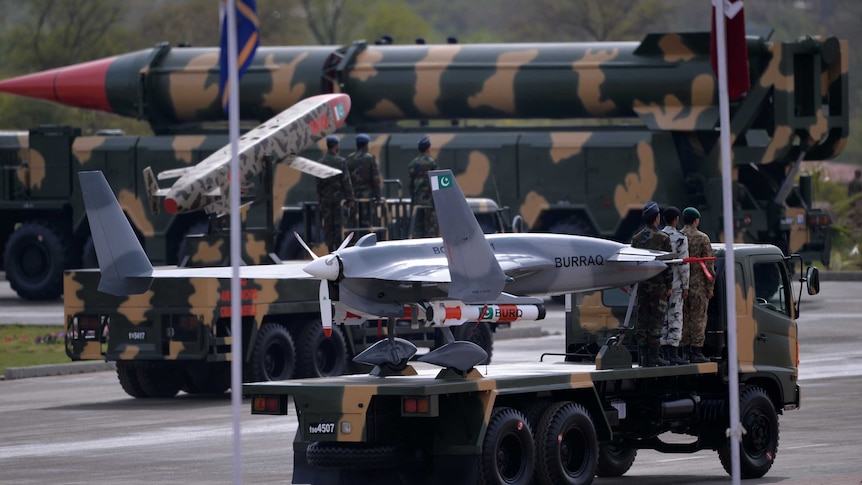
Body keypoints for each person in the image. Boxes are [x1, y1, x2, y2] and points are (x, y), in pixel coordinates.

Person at [631, 201, 672, 367]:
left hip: (641, 286)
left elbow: (631, 263)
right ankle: (654, 358)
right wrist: (669, 286)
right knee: (656, 321)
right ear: (657, 218)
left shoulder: (636, 238)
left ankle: (643, 357)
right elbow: (668, 264)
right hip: (658, 287)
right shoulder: (664, 238)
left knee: (642, 322)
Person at [680, 207, 715, 363]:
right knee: (698, 318)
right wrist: (710, 287)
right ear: (696, 221)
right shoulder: (703, 238)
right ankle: (696, 352)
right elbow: (709, 264)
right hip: (698, 286)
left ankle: (684, 353)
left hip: (680, 286)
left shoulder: (677, 236)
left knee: (683, 318)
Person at [660, 206, 689, 365]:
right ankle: (673, 352)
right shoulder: (680, 238)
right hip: (677, 284)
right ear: (676, 220)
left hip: (661, 284)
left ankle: (663, 353)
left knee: (663, 318)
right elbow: (684, 265)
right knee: (676, 316)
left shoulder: (659, 236)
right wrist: (686, 286)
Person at [316, 135, 354, 251]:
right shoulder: (341, 162)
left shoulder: (321, 162)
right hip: (339, 200)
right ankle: (339, 250)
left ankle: (330, 249)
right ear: (336, 145)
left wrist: (320, 199)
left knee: (328, 225)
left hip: (326, 200)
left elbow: (318, 183)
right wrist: (350, 198)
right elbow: (346, 181)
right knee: (339, 225)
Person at [345, 133, 382, 227]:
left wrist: (348, 197)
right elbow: (376, 179)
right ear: (366, 145)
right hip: (367, 197)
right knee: (367, 222)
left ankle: (355, 240)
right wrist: (378, 198)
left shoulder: (349, 158)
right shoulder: (370, 158)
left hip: (354, 197)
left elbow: (346, 178)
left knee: (354, 222)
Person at [408, 136, 439, 238]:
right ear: (428, 148)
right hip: (430, 202)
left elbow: (411, 185)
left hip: (417, 202)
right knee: (430, 229)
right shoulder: (431, 163)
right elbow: (435, 183)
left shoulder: (413, 163)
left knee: (418, 230)